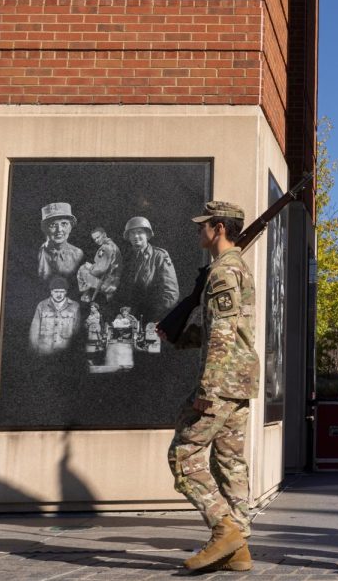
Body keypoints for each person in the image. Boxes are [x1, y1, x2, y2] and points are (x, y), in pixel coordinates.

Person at [164, 201, 259, 573]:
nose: (198, 230)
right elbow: (226, 331)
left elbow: (222, 333)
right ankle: (239, 550)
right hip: (238, 381)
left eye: (203, 225)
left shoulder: (223, 272)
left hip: (220, 384)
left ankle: (225, 529)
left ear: (219, 228)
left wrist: (207, 387)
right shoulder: (234, 269)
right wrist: (180, 336)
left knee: (183, 456)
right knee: (229, 462)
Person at [117, 216, 179, 321]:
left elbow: (171, 294)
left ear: (147, 234)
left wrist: (153, 317)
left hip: (156, 318)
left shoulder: (159, 256)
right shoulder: (127, 258)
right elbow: (124, 290)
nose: (136, 236)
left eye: (140, 232)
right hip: (132, 318)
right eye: (132, 233)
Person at [29, 277, 81, 355]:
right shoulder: (42, 305)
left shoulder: (75, 306)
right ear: (51, 292)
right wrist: (35, 351)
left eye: (62, 292)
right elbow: (34, 330)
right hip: (45, 353)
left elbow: (78, 331)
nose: (59, 294)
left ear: (66, 292)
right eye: (56, 291)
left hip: (65, 354)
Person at [37, 202, 84, 284]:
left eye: (64, 224)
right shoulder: (37, 253)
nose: (59, 230)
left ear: (71, 227)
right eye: (53, 225)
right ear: (45, 229)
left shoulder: (77, 254)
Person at [77, 227, 122, 304]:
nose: (96, 240)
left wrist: (91, 267)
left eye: (98, 237)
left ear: (104, 234)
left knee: (82, 269)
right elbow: (104, 264)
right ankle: (88, 293)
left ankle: (86, 295)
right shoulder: (113, 245)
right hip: (114, 278)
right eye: (94, 239)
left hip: (107, 282)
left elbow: (101, 270)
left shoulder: (105, 248)